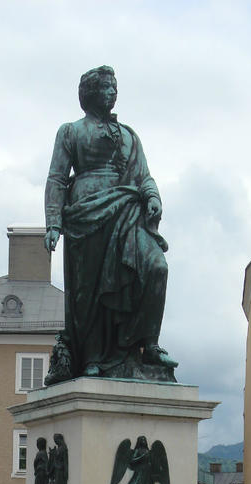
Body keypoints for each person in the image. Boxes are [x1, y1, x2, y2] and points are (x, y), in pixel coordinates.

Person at [44, 65, 177, 382]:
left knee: (156, 267)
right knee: (90, 291)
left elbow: (144, 175)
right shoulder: (71, 131)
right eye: (106, 87)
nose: (113, 92)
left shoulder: (130, 135)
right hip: (87, 216)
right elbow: (57, 178)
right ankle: (92, 357)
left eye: (115, 87)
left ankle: (149, 343)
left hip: (129, 211)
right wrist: (53, 222)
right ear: (90, 93)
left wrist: (152, 196)